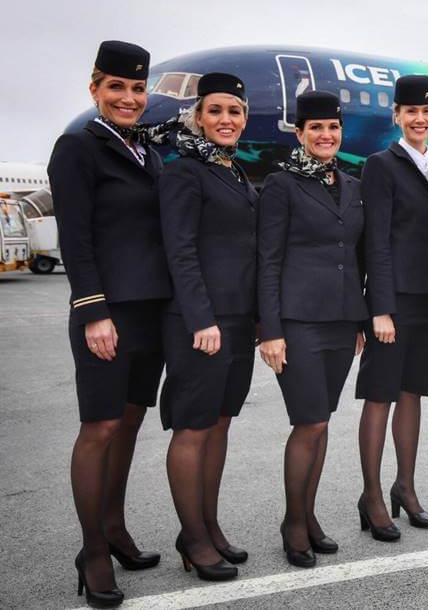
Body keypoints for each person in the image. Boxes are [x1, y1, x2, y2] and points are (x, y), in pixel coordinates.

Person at [48, 40, 172, 608]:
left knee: (128, 424)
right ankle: (93, 549)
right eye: (117, 87)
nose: (129, 97)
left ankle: (116, 528)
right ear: (95, 89)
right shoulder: (78, 147)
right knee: (98, 428)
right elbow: (75, 236)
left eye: (137, 88)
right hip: (108, 314)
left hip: (150, 313)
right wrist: (93, 310)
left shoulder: (145, 151)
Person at [258, 90, 367, 568]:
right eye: (316, 128)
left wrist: (360, 317)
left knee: (322, 424)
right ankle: (293, 522)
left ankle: (308, 513)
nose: (326, 136)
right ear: (299, 133)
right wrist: (270, 329)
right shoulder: (281, 185)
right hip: (298, 322)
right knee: (310, 423)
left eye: (333, 128)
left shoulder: (350, 183)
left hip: (343, 322)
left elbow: (357, 256)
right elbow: (268, 260)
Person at [158, 73, 258, 581]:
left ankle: (208, 525)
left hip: (237, 321)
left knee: (220, 423)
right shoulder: (184, 172)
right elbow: (180, 250)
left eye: (234, 112)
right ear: (198, 117)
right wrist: (201, 318)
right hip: (200, 324)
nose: (225, 120)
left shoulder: (235, 172)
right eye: (215, 111)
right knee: (193, 427)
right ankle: (193, 539)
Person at [355, 75, 428, 540]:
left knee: (412, 393)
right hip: (391, 304)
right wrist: (379, 308)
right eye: (410, 111)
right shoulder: (382, 165)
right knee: (380, 395)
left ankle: (405, 487)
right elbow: (374, 240)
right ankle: (372, 496)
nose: (419, 118)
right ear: (396, 116)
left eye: (427, 111)